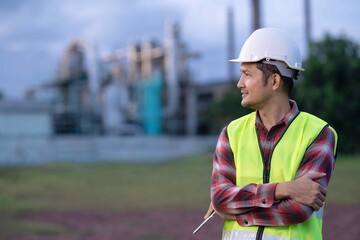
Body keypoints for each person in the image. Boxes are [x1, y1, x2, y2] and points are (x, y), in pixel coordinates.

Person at [204, 28, 338, 240]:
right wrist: (284, 189)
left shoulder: (319, 134)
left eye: (247, 74)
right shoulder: (231, 133)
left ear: (274, 81)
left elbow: (299, 209)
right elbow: (220, 197)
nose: (240, 83)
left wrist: (235, 211)